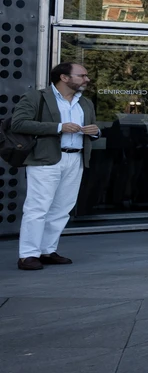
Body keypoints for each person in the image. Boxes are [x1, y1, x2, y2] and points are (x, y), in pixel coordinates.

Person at [12, 62, 97, 270]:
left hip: (75, 158)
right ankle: (28, 255)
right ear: (64, 78)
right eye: (82, 75)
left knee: (62, 209)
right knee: (38, 207)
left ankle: (47, 251)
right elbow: (18, 123)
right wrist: (59, 127)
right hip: (46, 159)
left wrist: (95, 131)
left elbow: (92, 130)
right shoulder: (37, 97)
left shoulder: (85, 103)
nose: (87, 79)